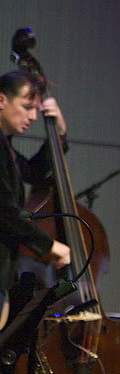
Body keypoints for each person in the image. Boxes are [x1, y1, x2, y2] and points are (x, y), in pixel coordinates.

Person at [0, 70, 71, 327]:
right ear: (1, 101)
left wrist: (59, 135)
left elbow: (34, 172)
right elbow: (5, 210)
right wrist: (49, 245)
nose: (32, 116)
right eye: (27, 107)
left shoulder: (5, 146)